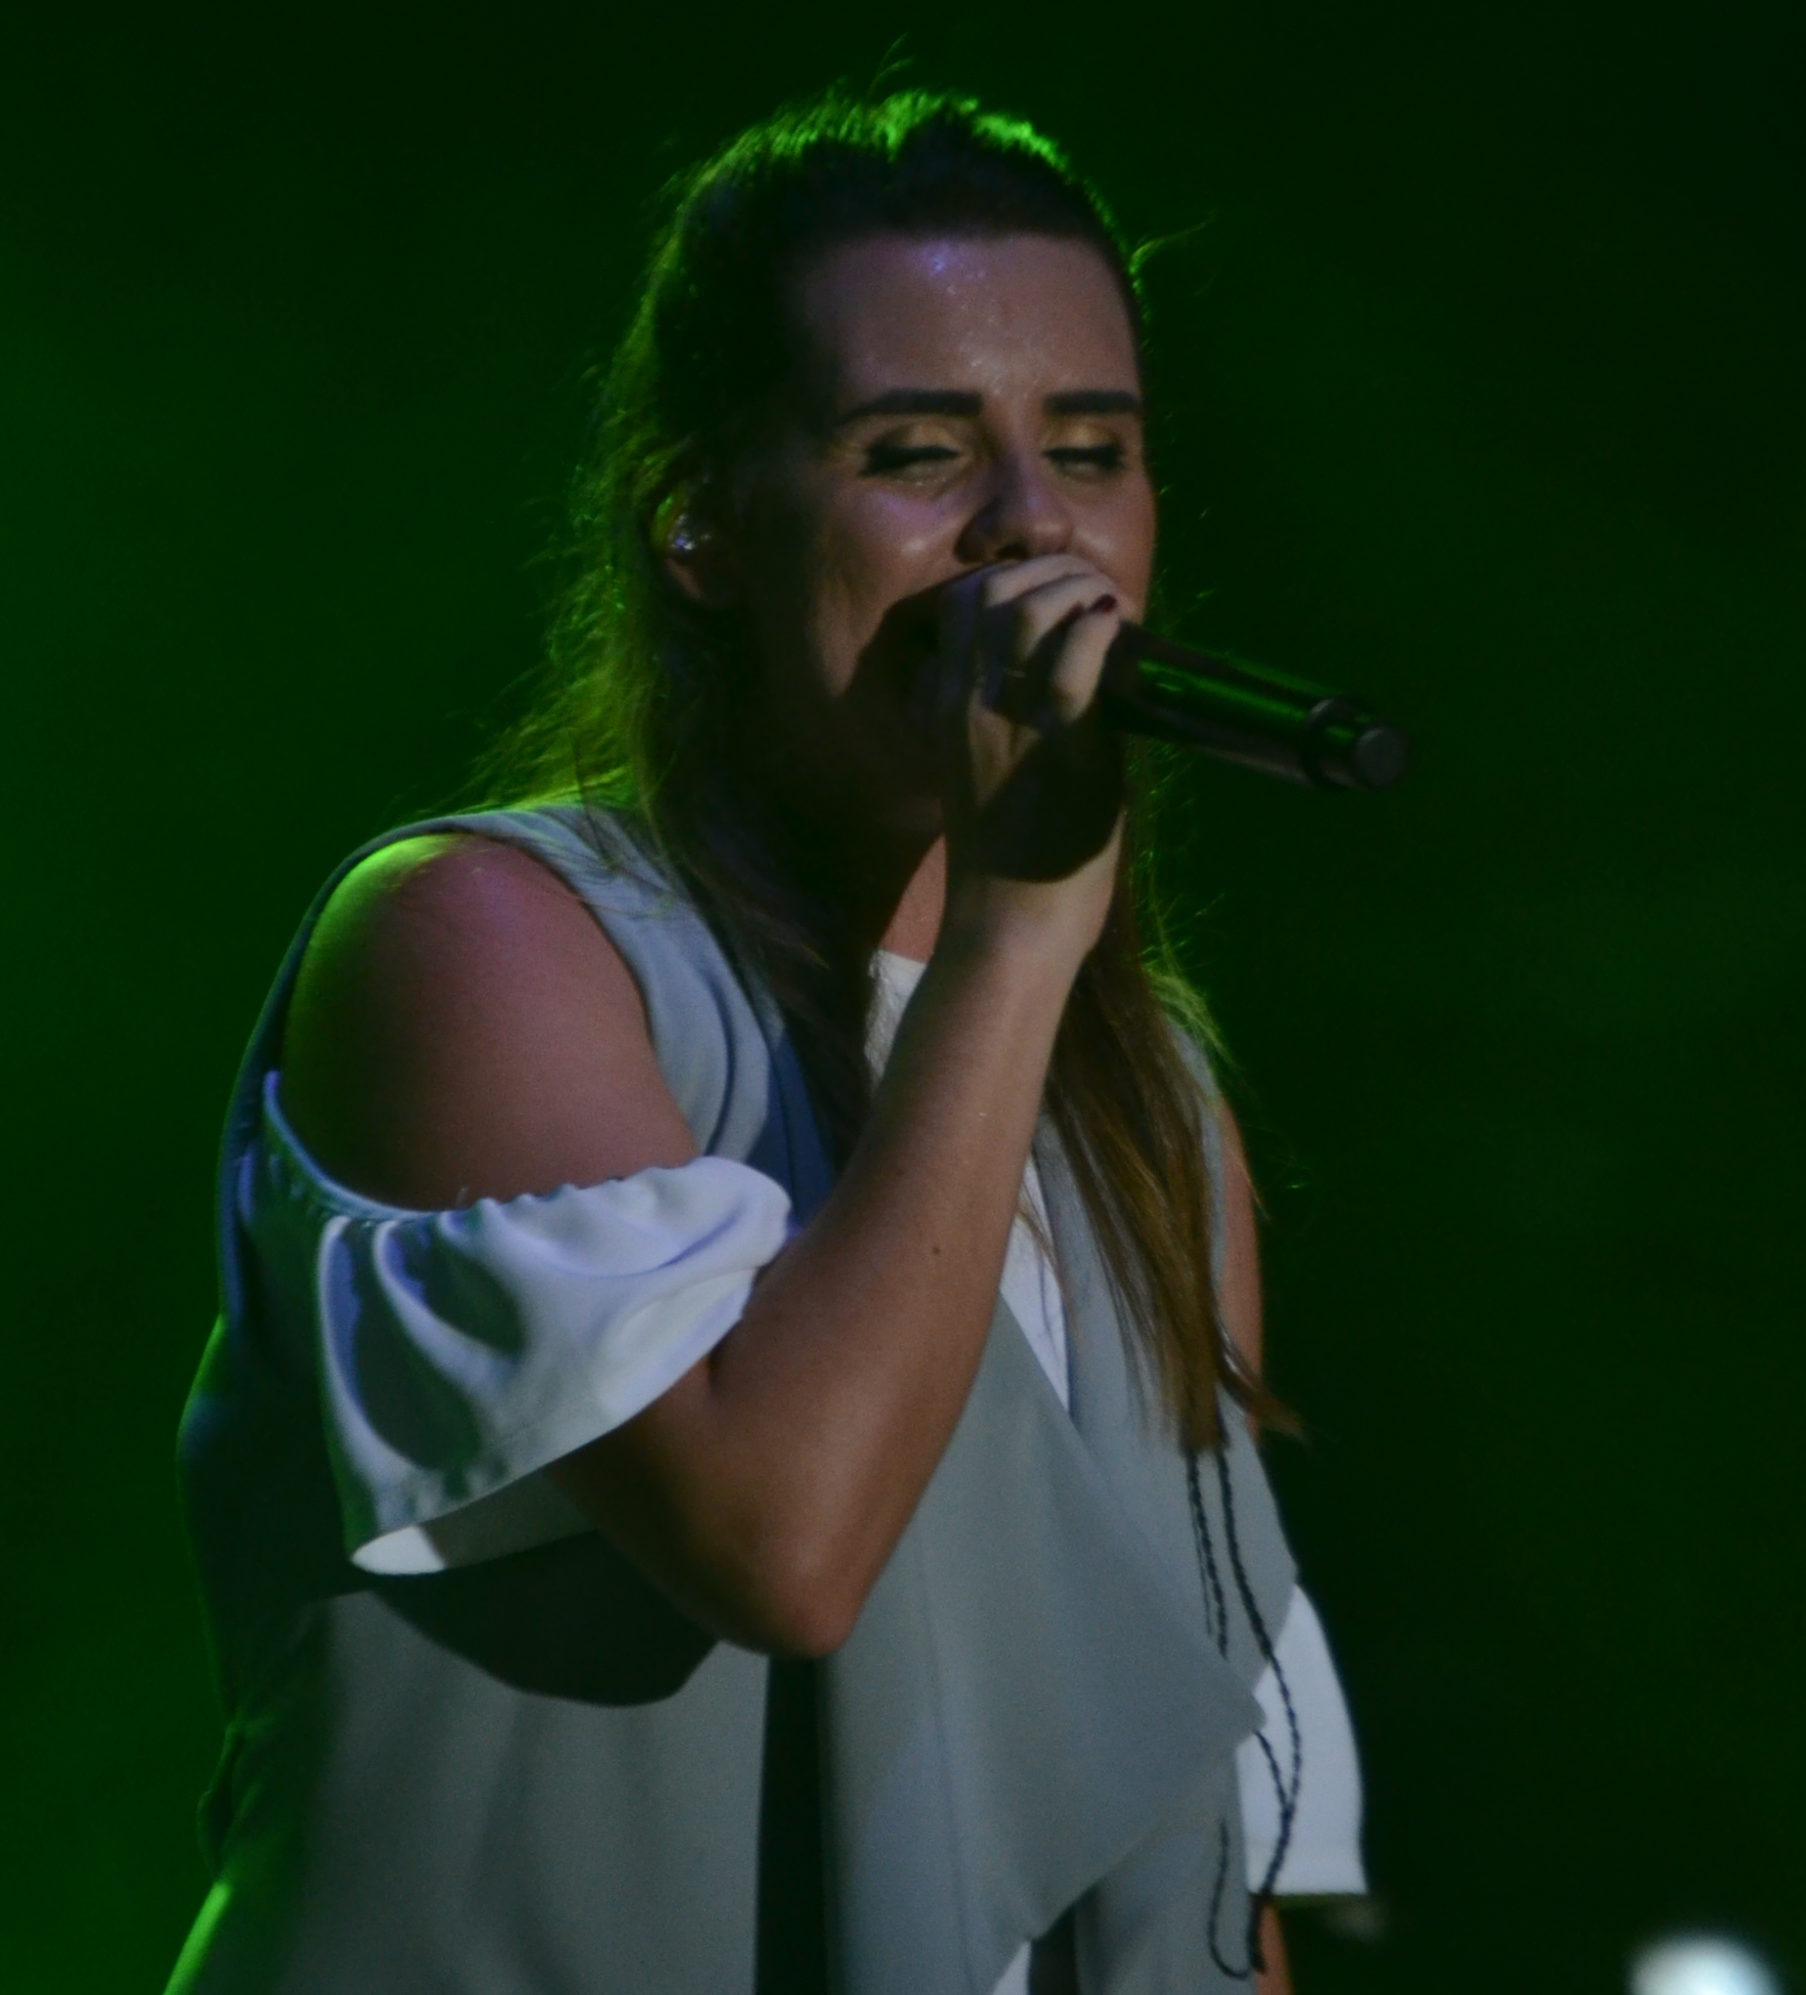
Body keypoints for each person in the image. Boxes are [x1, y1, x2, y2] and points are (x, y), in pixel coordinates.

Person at [168, 91, 1365, 1995]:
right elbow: (783, 1542)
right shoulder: (485, 939)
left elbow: (1197, 1838)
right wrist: (1016, 934)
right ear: (700, 524)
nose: (1032, 526)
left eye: (1091, 449)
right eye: (916, 453)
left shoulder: (1151, 1101)